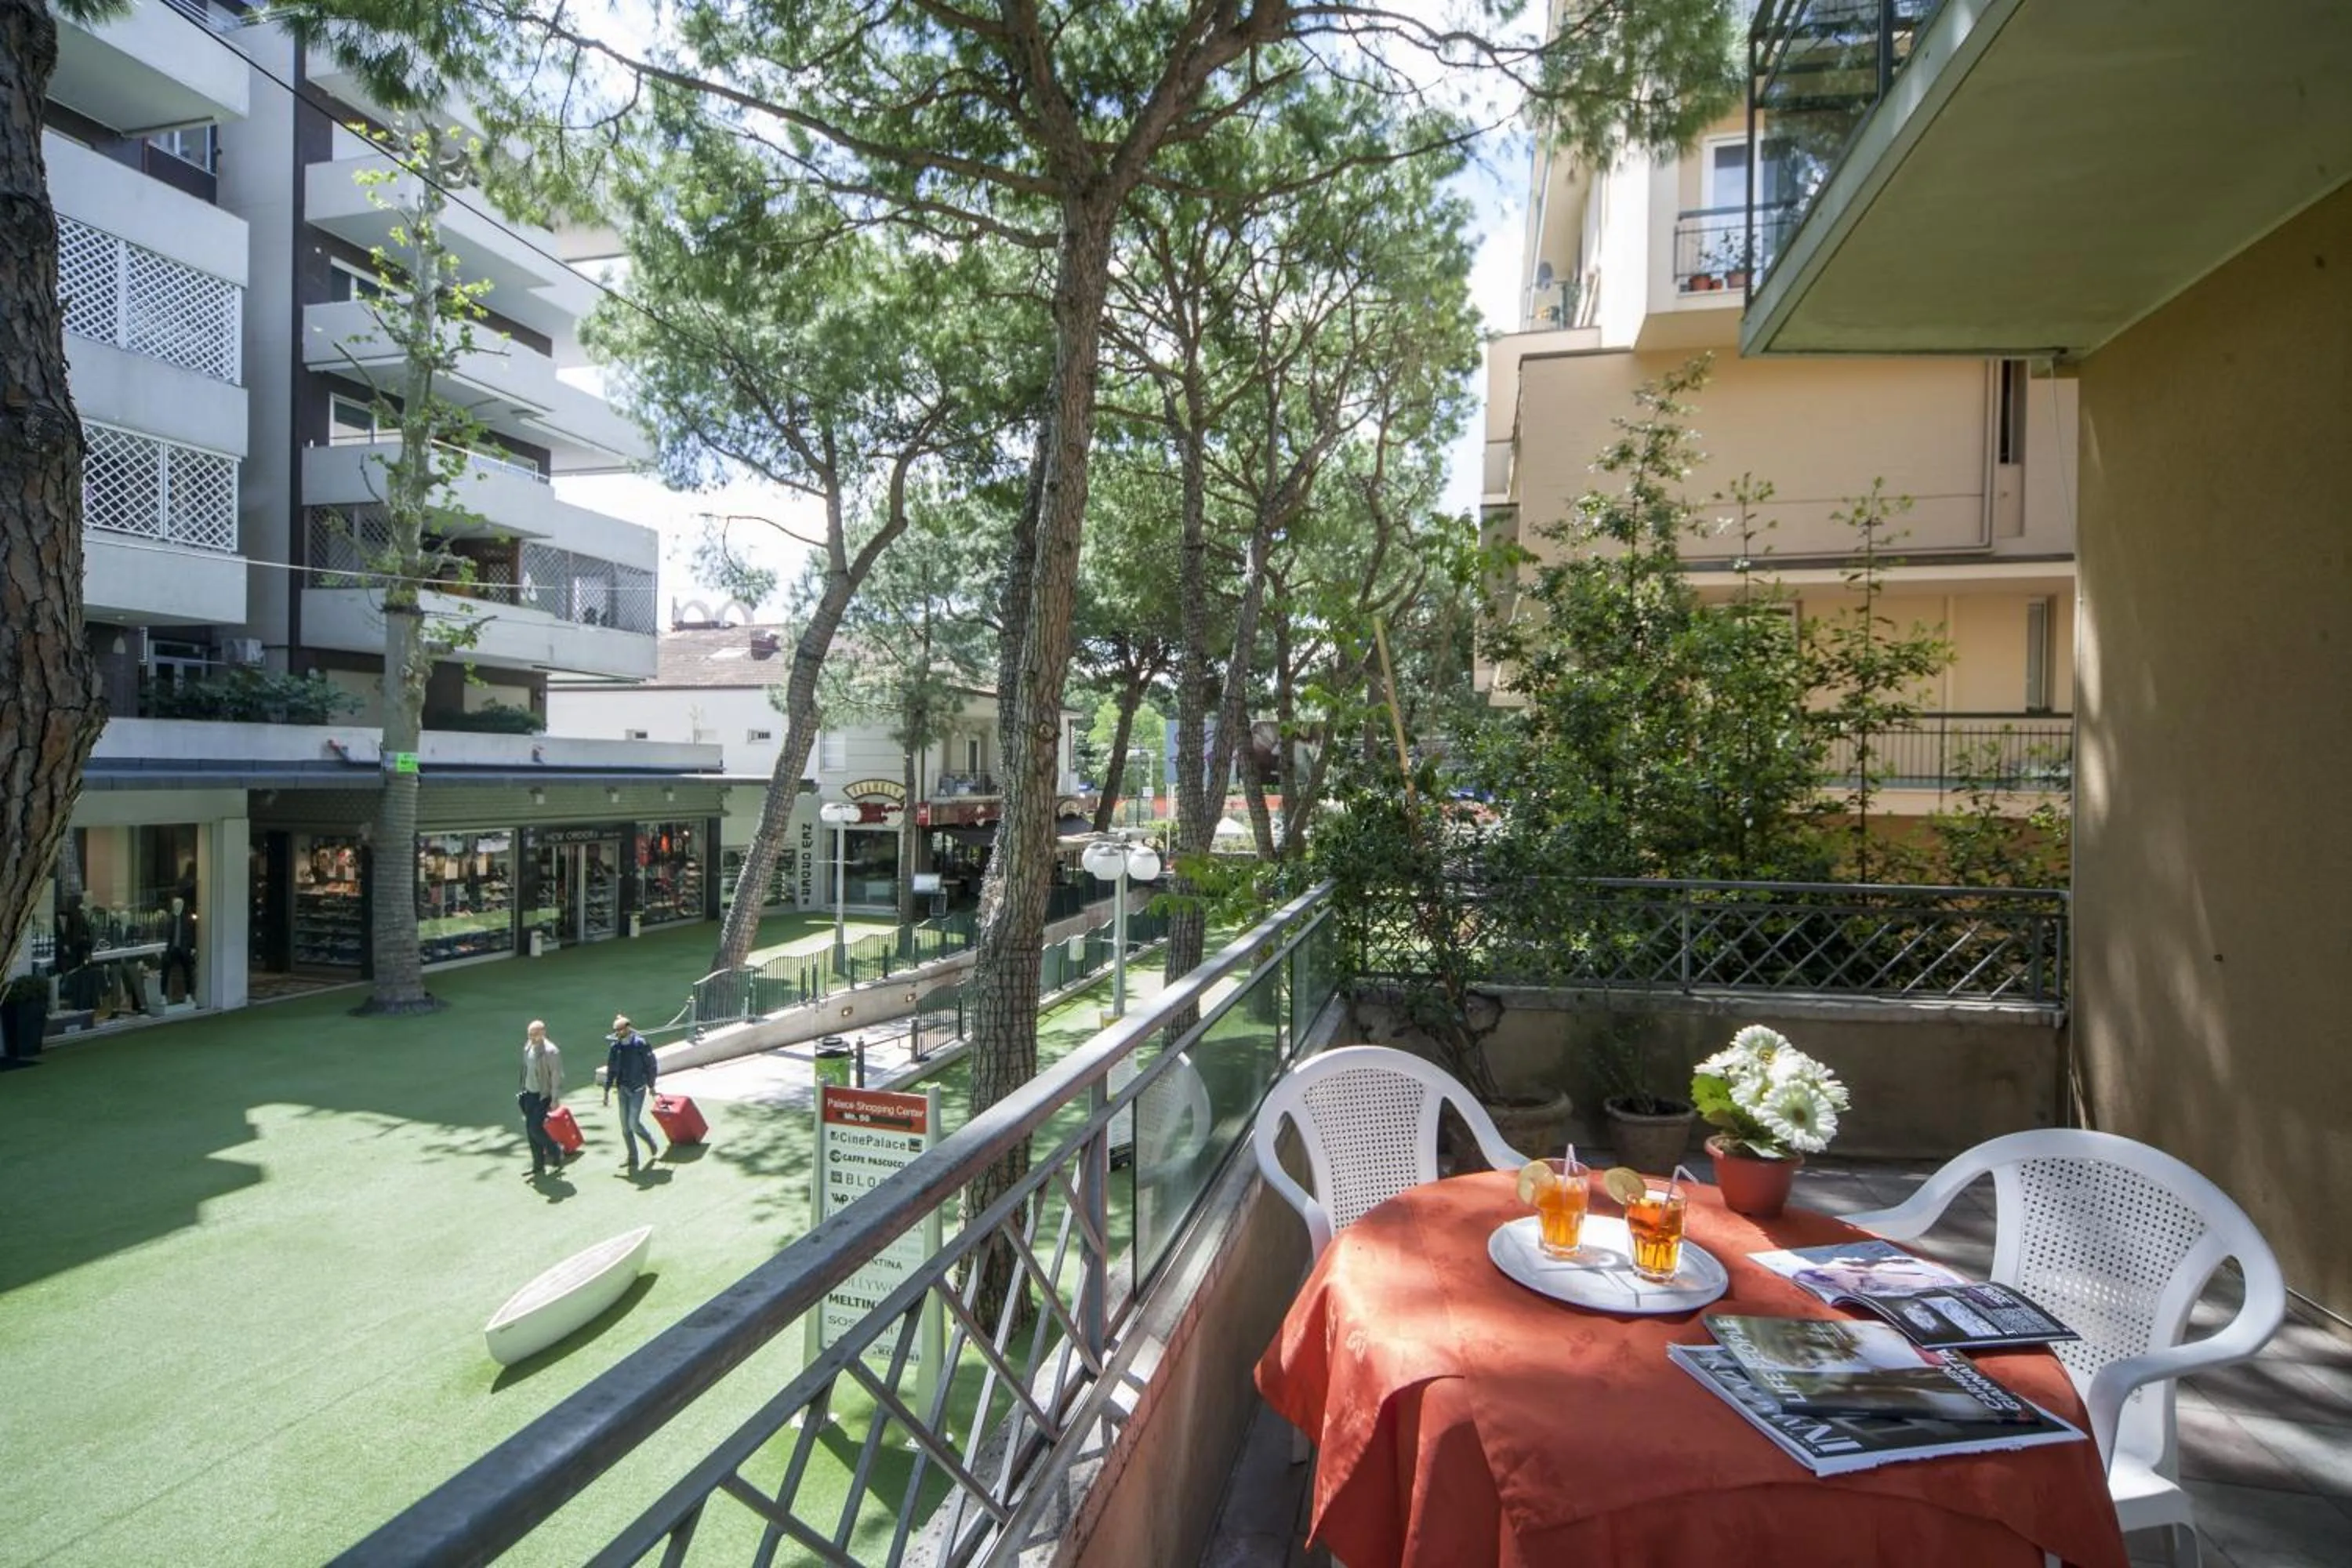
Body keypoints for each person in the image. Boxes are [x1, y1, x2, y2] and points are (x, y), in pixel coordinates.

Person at [604, 1014, 661, 1173]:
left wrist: (651, 1085)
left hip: (638, 1088)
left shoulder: (640, 1044)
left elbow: (651, 1066)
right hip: (623, 1088)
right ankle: (632, 1157)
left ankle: (650, 1141)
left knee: (633, 1123)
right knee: (625, 1126)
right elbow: (611, 1069)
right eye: (616, 1030)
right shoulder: (616, 1048)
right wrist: (607, 1090)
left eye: (620, 1029)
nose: (617, 1033)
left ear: (628, 1028)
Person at [518, 1019, 566, 1179]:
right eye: (530, 1034)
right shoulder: (528, 1046)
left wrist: (554, 1098)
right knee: (530, 1130)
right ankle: (538, 1165)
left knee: (535, 1128)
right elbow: (525, 1069)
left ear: (543, 1033)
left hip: (543, 1095)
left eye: (535, 1035)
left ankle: (555, 1150)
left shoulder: (551, 1051)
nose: (532, 1038)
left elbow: (556, 1076)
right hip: (529, 1093)